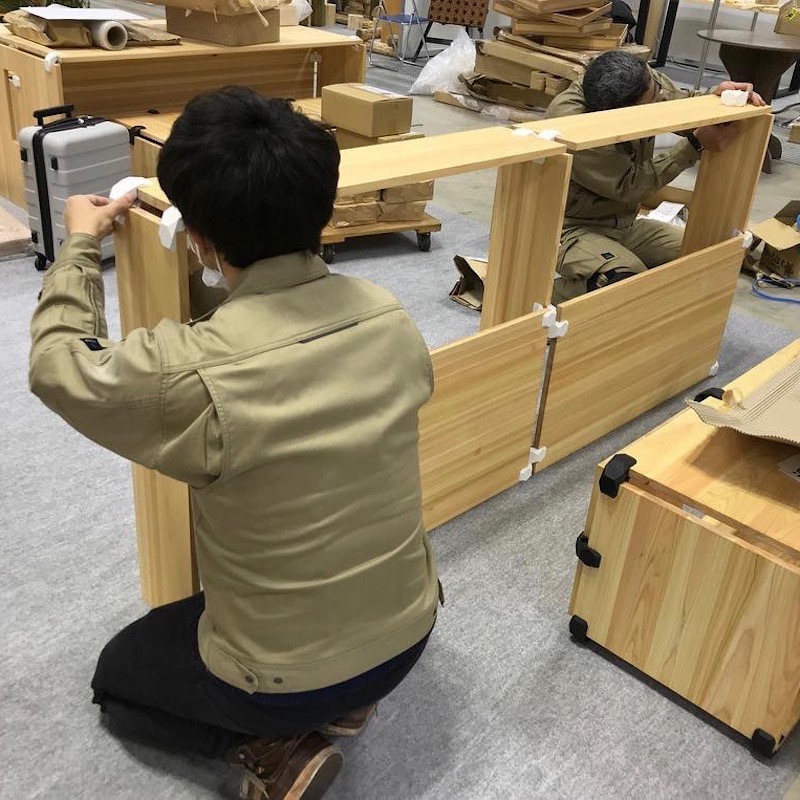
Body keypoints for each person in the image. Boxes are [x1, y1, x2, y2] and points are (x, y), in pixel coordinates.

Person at [29, 87, 441, 800]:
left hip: (281, 679)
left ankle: (275, 746)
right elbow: (271, 335)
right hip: (413, 631)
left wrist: (79, 244)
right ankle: (349, 704)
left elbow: (57, 365)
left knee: (118, 675)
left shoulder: (186, 374)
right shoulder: (391, 316)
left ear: (198, 239)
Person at [545, 50, 766, 302]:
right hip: (573, 229)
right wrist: (693, 144)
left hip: (623, 224)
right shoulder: (572, 122)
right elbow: (631, 185)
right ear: (619, 113)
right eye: (648, 104)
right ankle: (535, 304)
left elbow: (675, 103)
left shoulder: (641, 79)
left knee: (707, 252)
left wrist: (716, 98)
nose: (657, 97)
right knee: (623, 280)